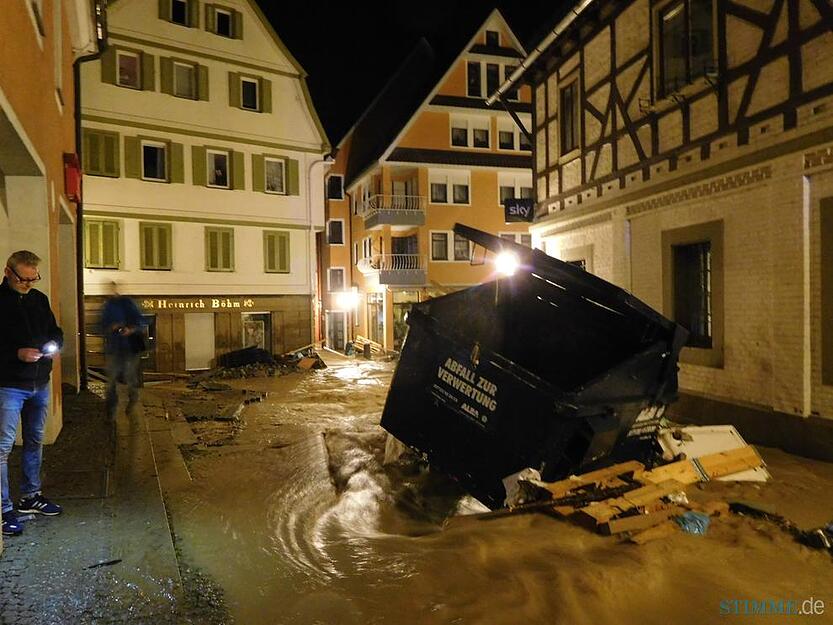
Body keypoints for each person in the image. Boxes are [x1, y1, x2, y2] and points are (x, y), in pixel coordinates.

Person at [0, 251, 64, 537]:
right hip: (8, 384)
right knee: (2, 448)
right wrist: (16, 354)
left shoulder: (39, 299)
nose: (28, 283)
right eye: (23, 278)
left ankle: (30, 497)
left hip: (39, 382)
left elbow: (55, 331)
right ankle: (3, 510)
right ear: (8, 272)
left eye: (33, 278)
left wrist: (54, 344)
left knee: (35, 440)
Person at [100, 281, 145, 420]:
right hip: (114, 347)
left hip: (130, 347)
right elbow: (101, 325)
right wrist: (111, 328)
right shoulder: (107, 306)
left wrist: (130, 329)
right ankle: (111, 409)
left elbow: (140, 321)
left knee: (129, 376)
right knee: (112, 378)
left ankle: (132, 400)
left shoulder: (127, 303)